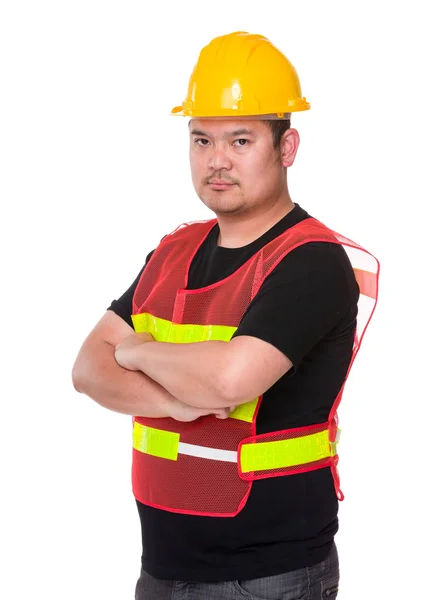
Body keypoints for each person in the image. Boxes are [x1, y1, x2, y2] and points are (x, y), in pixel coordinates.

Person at [72, 31, 379, 600]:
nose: (217, 161)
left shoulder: (310, 261)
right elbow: (87, 371)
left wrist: (135, 352)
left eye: (240, 140)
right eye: (201, 140)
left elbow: (229, 381)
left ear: (286, 147)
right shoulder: (173, 252)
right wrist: (173, 402)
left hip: (267, 577)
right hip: (161, 567)